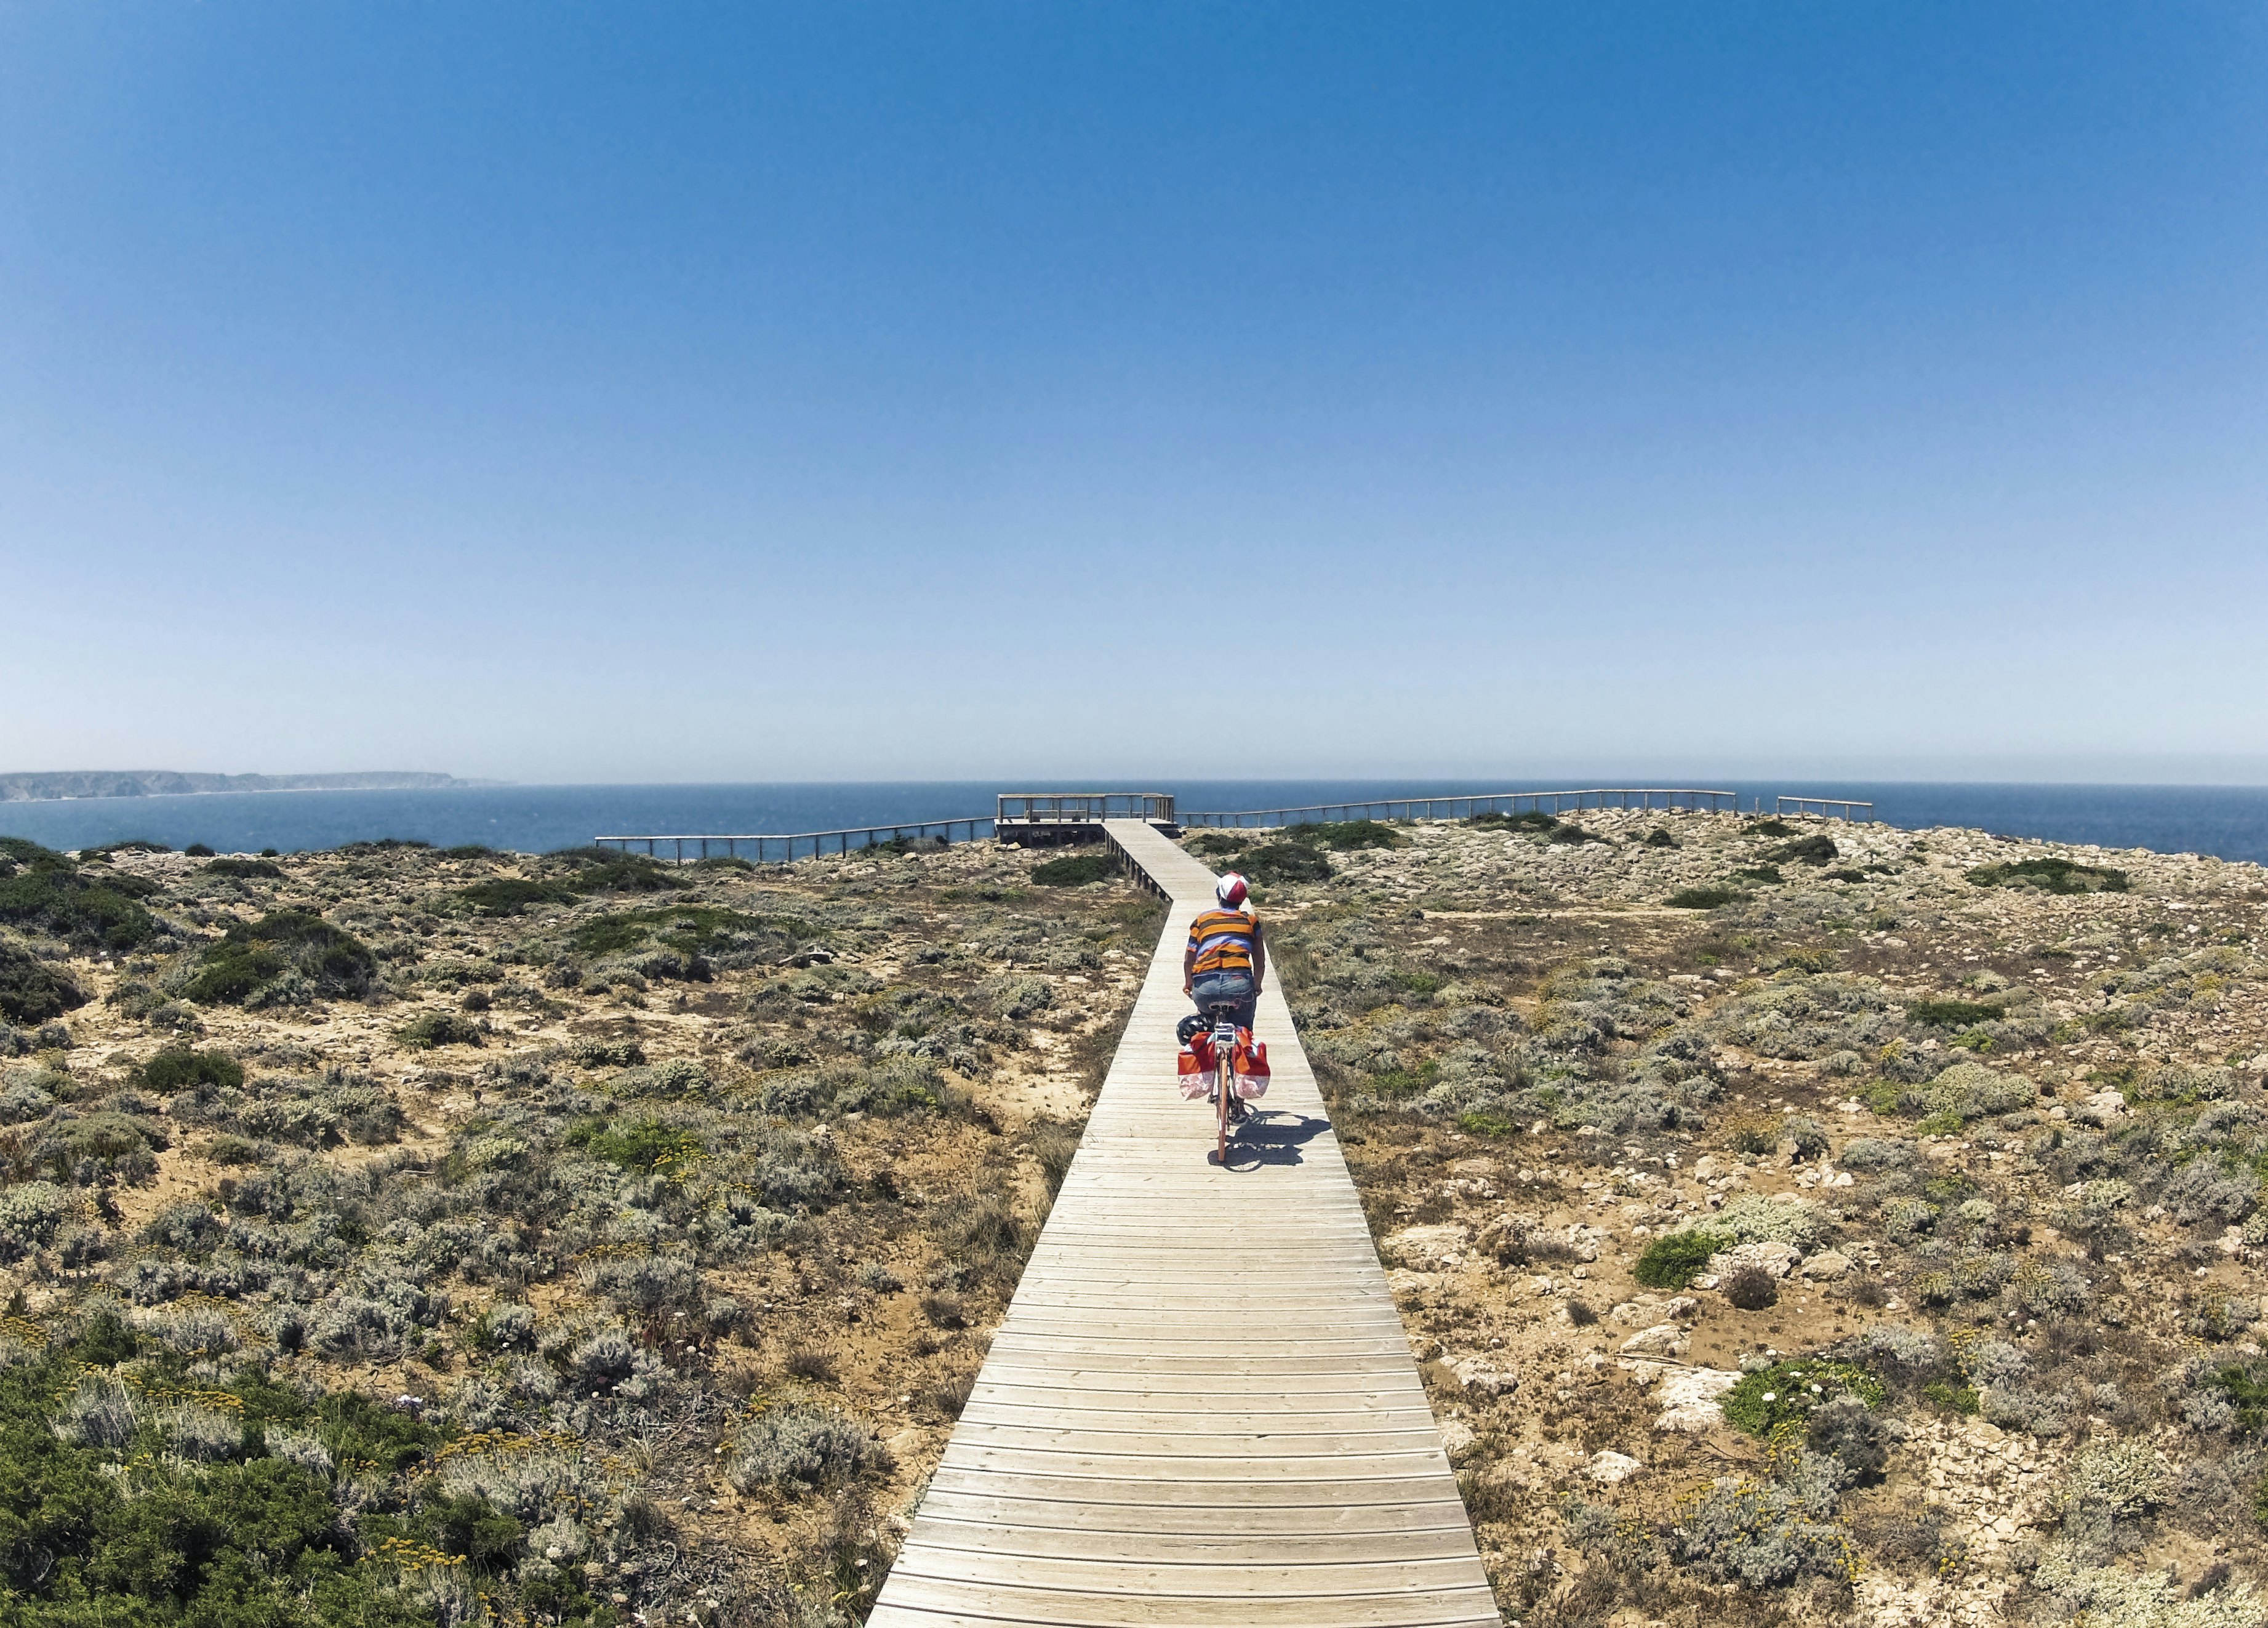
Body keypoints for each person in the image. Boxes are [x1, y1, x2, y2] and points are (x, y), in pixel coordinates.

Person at [1184, 871, 1265, 1032]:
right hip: (1239, 985)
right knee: (1244, 1032)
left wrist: (1189, 983)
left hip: (1205, 986)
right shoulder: (1251, 922)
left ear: (1219, 895)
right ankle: (1243, 1048)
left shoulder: (1203, 919)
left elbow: (1189, 959)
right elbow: (1259, 961)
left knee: (1205, 1028)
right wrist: (1257, 986)